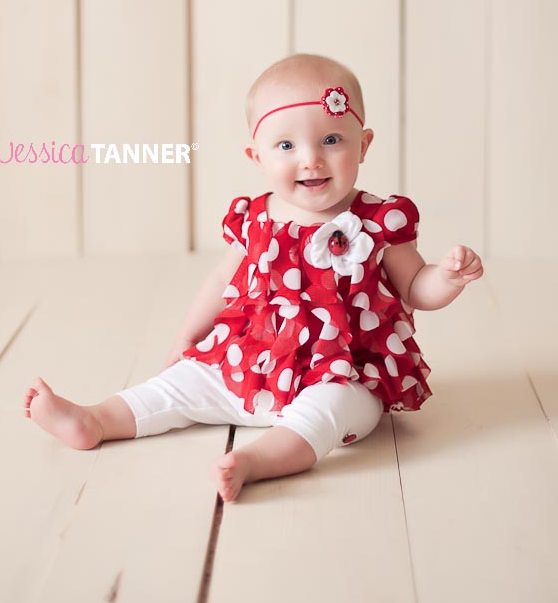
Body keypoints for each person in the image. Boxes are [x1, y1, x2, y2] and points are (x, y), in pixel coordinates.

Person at [24, 53, 484, 503]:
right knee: (183, 383)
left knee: (332, 409)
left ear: (363, 144)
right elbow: (221, 284)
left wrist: (447, 278)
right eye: (287, 146)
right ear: (257, 156)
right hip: (253, 361)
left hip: (345, 371)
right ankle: (96, 420)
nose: (311, 160)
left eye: (331, 141)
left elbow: (415, 287)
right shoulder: (254, 218)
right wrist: (188, 338)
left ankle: (256, 460)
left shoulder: (380, 219)